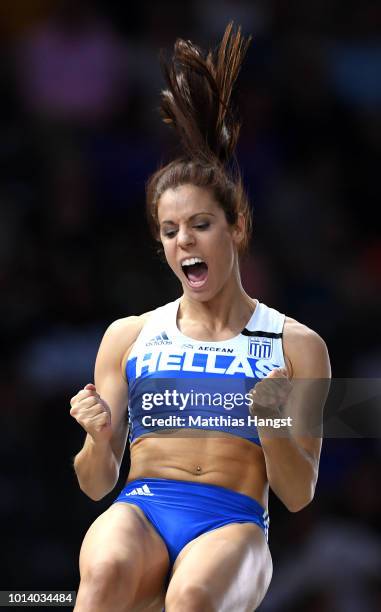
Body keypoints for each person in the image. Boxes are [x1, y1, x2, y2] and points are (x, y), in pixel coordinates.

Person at [70, 22, 331, 612]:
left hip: (232, 521)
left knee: (189, 598)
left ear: (235, 229)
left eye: (200, 225)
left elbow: (297, 494)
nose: (184, 239)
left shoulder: (297, 344)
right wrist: (95, 438)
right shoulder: (130, 335)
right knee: (105, 572)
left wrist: (274, 423)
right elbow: (94, 483)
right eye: (169, 230)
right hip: (141, 505)